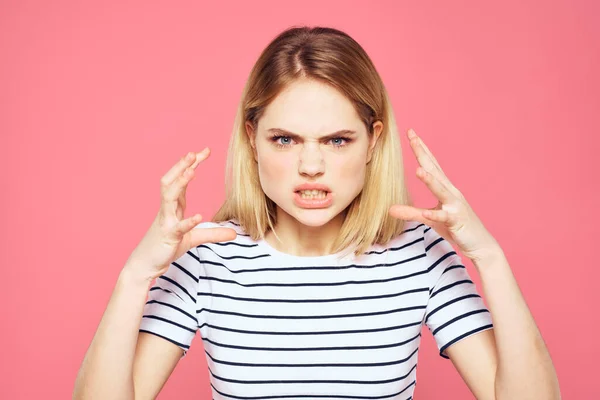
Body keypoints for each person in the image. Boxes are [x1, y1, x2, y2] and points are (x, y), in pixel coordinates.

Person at [73, 26, 560, 399]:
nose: (310, 166)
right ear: (252, 140)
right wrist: (136, 275)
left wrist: (488, 256)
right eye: (284, 139)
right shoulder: (209, 257)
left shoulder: (420, 253)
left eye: (337, 140)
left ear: (374, 140)